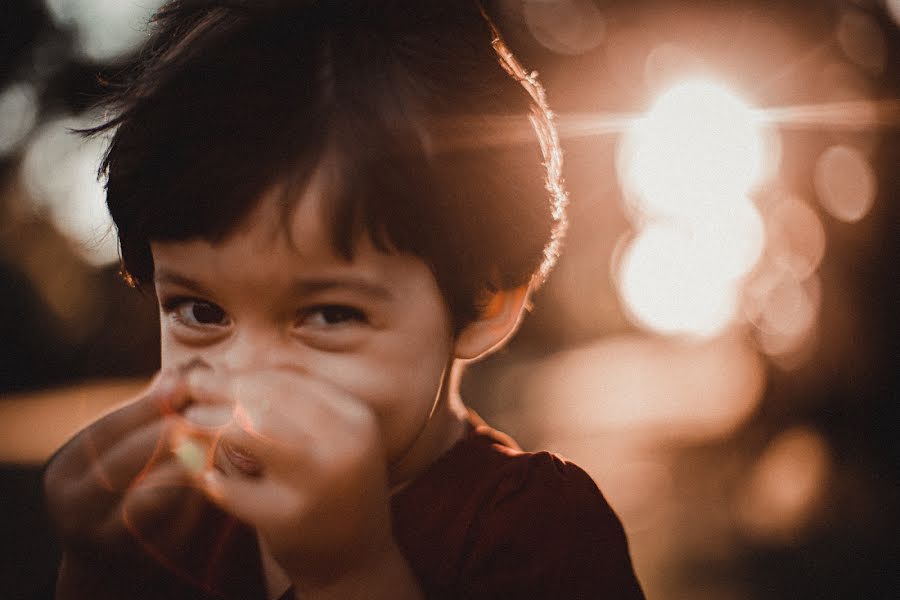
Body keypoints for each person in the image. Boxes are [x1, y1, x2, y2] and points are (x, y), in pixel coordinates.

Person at [43, 1, 645, 598]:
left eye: (329, 314)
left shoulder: (536, 532)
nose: (246, 375)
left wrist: (346, 573)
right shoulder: (178, 524)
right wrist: (95, 571)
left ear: (485, 301)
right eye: (202, 312)